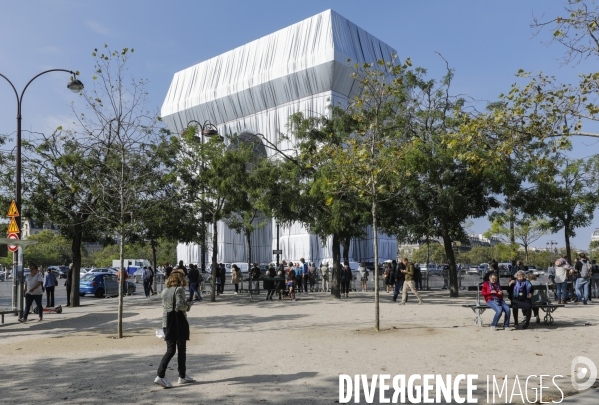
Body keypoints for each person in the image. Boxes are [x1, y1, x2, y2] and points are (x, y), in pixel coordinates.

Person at [154, 269, 193, 388]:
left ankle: (179, 375)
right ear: (180, 278)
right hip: (178, 322)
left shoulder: (165, 291)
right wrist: (188, 305)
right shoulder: (179, 289)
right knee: (181, 350)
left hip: (167, 322)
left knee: (171, 349)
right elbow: (180, 306)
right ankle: (168, 375)